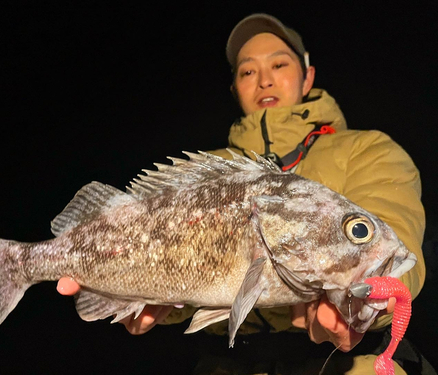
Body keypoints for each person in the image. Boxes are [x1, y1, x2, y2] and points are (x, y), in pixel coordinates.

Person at [57, 14, 430, 374]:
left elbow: (396, 231)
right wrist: (146, 301)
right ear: (235, 88)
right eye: (248, 71)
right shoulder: (211, 168)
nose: (265, 80)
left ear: (307, 76)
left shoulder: (368, 149)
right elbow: (197, 286)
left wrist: (372, 303)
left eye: (279, 65)